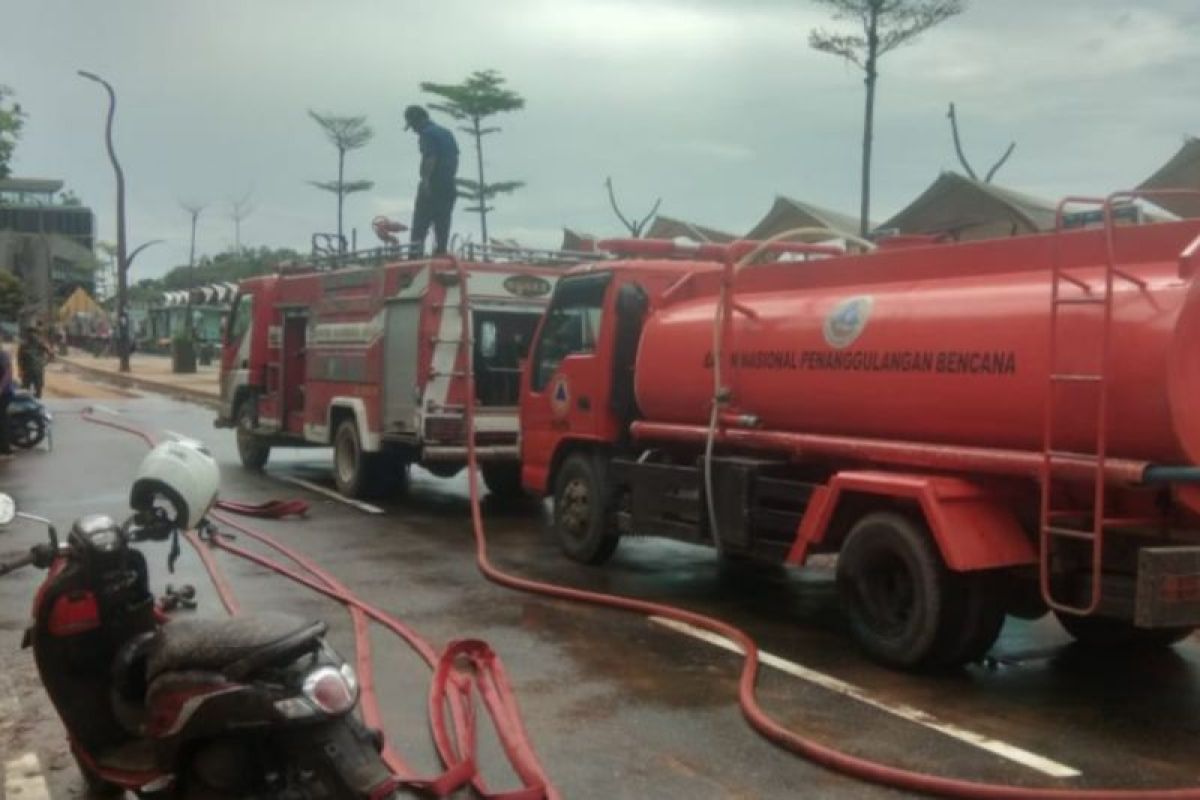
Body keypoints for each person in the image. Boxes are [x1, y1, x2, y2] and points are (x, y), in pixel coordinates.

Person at [403, 104, 459, 257]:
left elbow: (430, 157)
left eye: (413, 125)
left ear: (417, 120)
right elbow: (455, 159)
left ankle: (414, 259)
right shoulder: (447, 133)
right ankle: (441, 253)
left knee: (420, 225)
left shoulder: (427, 134)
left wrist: (426, 181)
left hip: (433, 184)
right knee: (442, 223)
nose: (414, 130)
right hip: (449, 184)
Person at [0, 347, 13, 458]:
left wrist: (1, 388)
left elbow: (8, 374)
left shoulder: (3, 356)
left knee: (2, 420)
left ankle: (6, 450)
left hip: (4, 394)